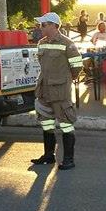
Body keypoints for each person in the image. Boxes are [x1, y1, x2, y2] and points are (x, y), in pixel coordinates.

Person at [30, 12, 83, 171]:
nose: (41, 27)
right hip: (44, 89)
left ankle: (68, 159)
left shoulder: (67, 43)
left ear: (54, 26)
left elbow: (77, 65)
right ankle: (48, 156)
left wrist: (65, 79)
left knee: (66, 124)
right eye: (41, 24)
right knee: (46, 123)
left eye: (44, 24)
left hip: (60, 90)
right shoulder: (41, 43)